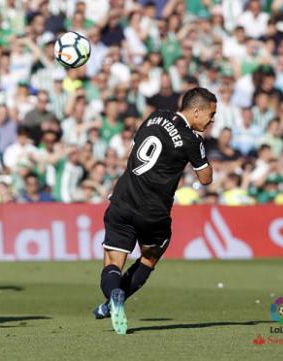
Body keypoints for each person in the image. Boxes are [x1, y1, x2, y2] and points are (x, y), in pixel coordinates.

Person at [92, 87, 216, 334]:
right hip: (154, 212)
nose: (212, 120)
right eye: (211, 114)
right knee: (148, 258)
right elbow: (205, 179)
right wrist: (199, 153)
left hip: (123, 200)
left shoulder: (155, 116)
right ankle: (115, 302)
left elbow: (136, 150)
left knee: (112, 262)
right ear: (196, 110)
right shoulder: (193, 140)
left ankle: (112, 298)